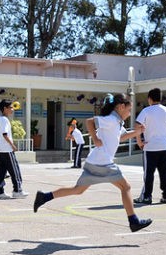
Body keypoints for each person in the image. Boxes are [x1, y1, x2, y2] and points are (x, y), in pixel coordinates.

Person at [33, 93, 152, 232]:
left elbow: (122, 137)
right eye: (129, 109)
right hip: (103, 162)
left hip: (94, 161)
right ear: (121, 107)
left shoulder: (117, 122)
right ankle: (134, 221)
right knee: (126, 187)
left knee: (78, 190)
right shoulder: (111, 120)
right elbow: (90, 121)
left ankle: (44, 197)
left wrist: (137, 132)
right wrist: (95, 139)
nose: (130, 113)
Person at [134, 88, 166, 205]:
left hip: (150, 147)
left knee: (149, 173)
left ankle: (147, 196)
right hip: (164, 147)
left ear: (149, 99)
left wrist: (139, 142)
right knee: (165, 173)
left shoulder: (146, 111)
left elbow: (137, 125)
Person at [0, 99, 28, 199]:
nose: (12, 109)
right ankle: (17, 190)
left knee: (1, 171)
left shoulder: (0, 120)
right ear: (5, 108)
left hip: (1, 150)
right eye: (11, 107)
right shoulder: (4, 120)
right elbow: (5, 134)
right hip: (7, 150)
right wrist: (12, 145)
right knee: (15, 170)